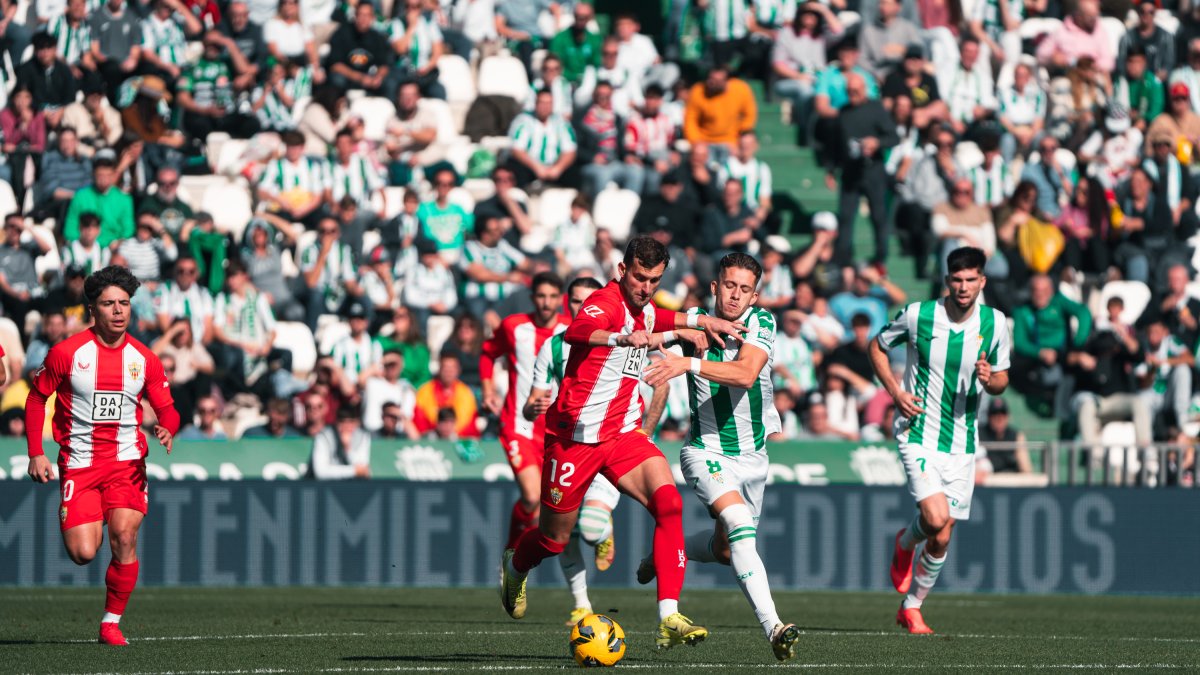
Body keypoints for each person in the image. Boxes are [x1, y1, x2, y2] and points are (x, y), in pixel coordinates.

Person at [500, 235, 744, 648]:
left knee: (669, 503)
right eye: (639, 277)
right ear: (621, 271)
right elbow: (579, 330)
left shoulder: (645, 308)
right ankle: (516, 566)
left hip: (621, 434)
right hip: (573, 439)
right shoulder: (605, 302)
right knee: (553, 539)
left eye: (654, 279)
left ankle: (669, 615)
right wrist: (618, 338)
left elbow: (662, 318)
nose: (645, 287)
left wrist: (706, 321)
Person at [640, 252, 801, 661]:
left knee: (727, 549)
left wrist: (687, 364)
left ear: (755, 294)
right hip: (705, 450)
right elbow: (649, 335)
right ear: (714, 287)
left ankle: (663, 555)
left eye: (745, 289)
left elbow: (746, 374)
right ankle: (774, 628)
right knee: (738, 522)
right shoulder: (693, 319)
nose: (735, 296)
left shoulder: (762, 322)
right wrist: (658, 341)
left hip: (753, 457)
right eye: (729, 285)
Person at [25, 264, 180, 646]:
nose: (118, 311)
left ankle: (110, 623)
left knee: (124, 537)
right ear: (92, 309)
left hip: (126, 464)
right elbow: (36, 397)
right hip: (79, 462)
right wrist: (36, 453)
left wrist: (167, 426)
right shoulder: (67, 353)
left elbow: (169, 408)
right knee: (82, 553)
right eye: (109, 303)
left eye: (124, 303)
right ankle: (87, 514)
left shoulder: (145, 359)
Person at [870, 246, 1010, 635]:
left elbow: (1002, 379)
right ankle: (905, 541)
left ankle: (911, 606)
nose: (964, 287)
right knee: (935, 518)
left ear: (982, 281)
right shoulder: (919, 315)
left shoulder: (995, 323)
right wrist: (897, 393)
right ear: (948, 280)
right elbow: (876, 347)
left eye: (971, 280)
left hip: (962, 442)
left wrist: (989, 379)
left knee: (942, 533)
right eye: (957, 279)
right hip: (917, 433)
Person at [522, 276, 621, 625]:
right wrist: (532, 409)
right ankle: (581, 604)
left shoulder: (619, 340)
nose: (583, 309)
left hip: (610, 443)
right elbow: (532, 402)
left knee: (591, 529)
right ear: (569, 305)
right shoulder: (553, 347)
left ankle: (604, 533)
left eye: (589, 302)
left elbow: (652, 390)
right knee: (560, 532)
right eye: (577, 302)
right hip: (568, 447)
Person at [481, 272, 570, 550]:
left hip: (557, 432)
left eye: (552, 297)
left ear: (561, 300)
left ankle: (519, 564)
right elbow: (487, 353)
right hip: (518, 424)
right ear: (532, 298)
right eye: (541, 296)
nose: (546, 303)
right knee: (531, 497)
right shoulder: (513, 327)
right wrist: (487, 390)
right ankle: (510, 554)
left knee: (550, 509)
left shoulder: (572, 331)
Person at [833, 71, 898, 268]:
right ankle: (844, 259)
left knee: (878, 215)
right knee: (845, 217)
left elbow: (894, 137)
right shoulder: (843, 112)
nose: (852, 94)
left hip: (873, 170)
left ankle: (881, 257)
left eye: (856, 91)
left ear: (863, 90)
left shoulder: (876, 109)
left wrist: (876, 142)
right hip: (850, 171)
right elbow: (835, 143)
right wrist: (831, 169)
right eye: (849, 91)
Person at [309, 404, 371, 479]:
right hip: (328, 487)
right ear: (336, 422)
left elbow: (362, 469)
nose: (346, 426)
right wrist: (353, 471)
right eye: (342, 421)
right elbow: (320, 472)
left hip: (354, 486)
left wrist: (348, 449)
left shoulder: (363, 436)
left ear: (356, 422)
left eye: (351, 421)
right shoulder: (323, 437)